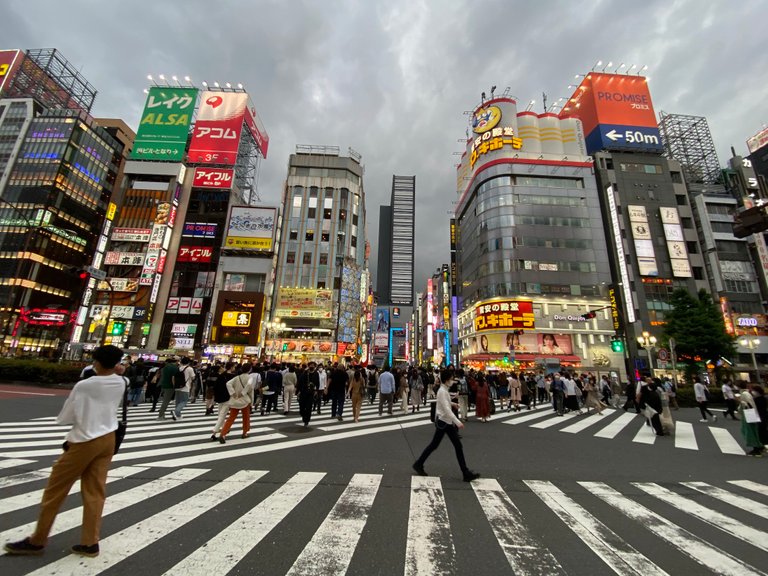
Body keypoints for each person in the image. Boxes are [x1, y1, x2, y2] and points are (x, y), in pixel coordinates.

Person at [4, 345, 127, 558]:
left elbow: (66, 417)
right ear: (117, 363)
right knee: (95, 491)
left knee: (55, 491)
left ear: (96, 362)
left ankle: (37, 540)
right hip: (109, 439)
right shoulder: (121, 382)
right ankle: (90, 542)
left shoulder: (85, 385)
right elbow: (121, 375)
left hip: (85, 439)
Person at [412, 367, 480, 483]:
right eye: (451, 379)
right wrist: (457, 422)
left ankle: (465, 472)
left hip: (445, 422)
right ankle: (465, 472)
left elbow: (445, 404)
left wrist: (453, 403)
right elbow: (446, 409)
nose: (453, 381)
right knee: (443, 445)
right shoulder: (442, 391)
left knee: (444, 445)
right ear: (447, 380)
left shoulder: (443, 390)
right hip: (444, 422)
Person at [218, 365, 254, 444]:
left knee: (231, 418)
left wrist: (233, 393)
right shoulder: (250, 378)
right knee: (246, 417)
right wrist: (246, 395)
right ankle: (245, 433)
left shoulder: (237, 377)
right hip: (245, 400)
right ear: (249, 370)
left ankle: (223, 434)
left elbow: (228, 384)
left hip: (235, 401)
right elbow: (250, 389)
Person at [737, 382, 764, 456]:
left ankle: (756, 449)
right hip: (750, 414)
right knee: (752, 431)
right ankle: (758, 447)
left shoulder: (745, 394)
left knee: (750, 432)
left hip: (749, 414)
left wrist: (740, 401)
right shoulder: (747, 393)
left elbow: (748, 404)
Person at [297, 362, 319, 427]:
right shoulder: (305, 373)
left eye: (313, 366)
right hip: (303, 391)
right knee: (302, 407)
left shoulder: (316, 374)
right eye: (310, 365)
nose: (312, 366)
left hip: (311, 393)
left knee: (309, 407)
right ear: (308, 366)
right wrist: (298, 391)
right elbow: (300, 382)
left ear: (315, 367)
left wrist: (316, 390)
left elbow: (317, 382)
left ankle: (306, 420)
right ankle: (303, 414)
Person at [171, 357, 193, 421]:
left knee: (178, 401)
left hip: (177, 387)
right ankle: (176, 412)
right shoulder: (190, 369)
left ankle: (178, 415)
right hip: (185, 387)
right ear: (188, 362)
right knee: (184, 401)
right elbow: (193, 377)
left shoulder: (179, 368)